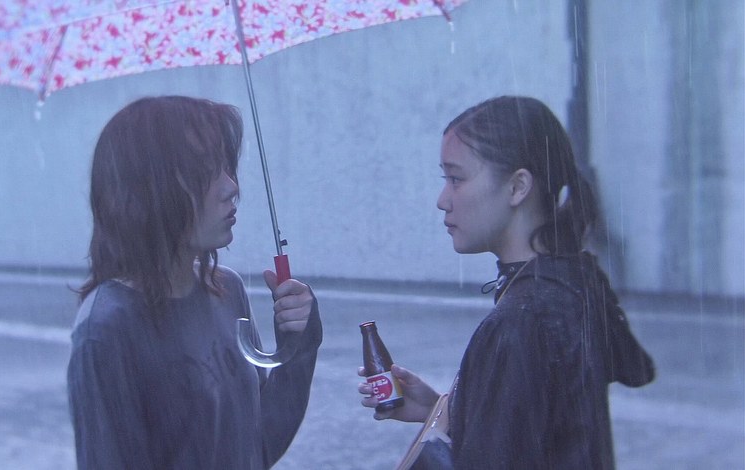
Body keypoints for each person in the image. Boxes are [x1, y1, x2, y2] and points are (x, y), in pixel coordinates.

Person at [358, 96, 654, 469]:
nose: (442, 200)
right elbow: (545, 436)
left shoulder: (521, 320)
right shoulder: (569, 282)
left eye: (456, 178)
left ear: (517, 187)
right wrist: (447, 409)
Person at [67, 95, 322, 469]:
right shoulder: (107, 330)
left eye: (227, 167)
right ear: (150, 190)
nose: (231, 187)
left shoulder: (227, 292)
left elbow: (257, 446)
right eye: (205, 171)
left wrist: (298, 344)